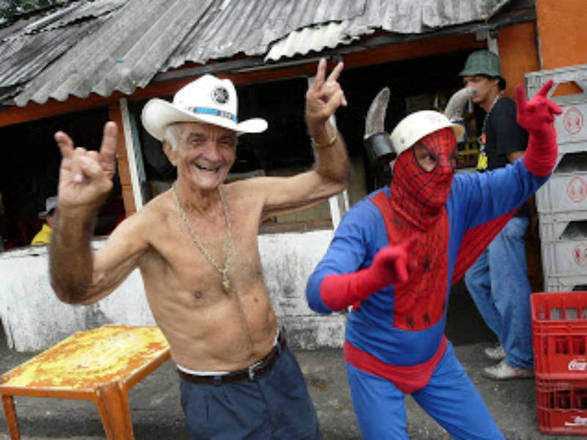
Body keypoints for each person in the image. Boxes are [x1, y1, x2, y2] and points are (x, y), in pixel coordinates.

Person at [49, 58, 350, 439]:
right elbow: (76, 290)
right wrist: (75, 215)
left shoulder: (248, 197)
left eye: (225, 141)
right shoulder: (149, 227)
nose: (214, 154)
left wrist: (321, 127)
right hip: (216, 398)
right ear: (170, 151)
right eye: (197, 140)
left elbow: (333, 180)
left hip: (281, 374)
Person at [305, 79, 561, 439]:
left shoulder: (459, 193)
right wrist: (372, 278)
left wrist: (541, 136)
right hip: (375, 368)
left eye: (450, 158)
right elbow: (318, 292)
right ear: (399, 162)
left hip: (435, 360)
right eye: (429, 158)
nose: (443, 170)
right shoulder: (366, 219)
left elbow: (527, 176)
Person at [460, 49, 535, 380]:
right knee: (475, 279)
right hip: (492, 220)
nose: (470, 86)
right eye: (467, 81)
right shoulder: (490, 116)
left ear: (494, 81)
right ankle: (510, 342)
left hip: (505, 218)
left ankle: (522, 360)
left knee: (509, 290)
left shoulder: (504, 111)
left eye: (476, 80)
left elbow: (521, 166)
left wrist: (520, 210)